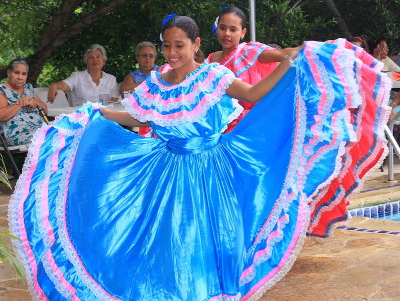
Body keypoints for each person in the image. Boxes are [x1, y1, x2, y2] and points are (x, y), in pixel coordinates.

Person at [9, 15, 390, 301]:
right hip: (165, 169)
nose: (171, 53)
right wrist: (97, 114)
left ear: (194, 45)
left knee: (204, 240)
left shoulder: (212, 76)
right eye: (166, 46)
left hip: (212, 170)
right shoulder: (156, 80)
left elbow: (254, 95)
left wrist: (290, 65)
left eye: (179, 45)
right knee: (167, 241)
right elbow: (139, 116)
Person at [207, 6, 300, 132]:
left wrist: (304, 48)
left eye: (233, 30)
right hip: (219, 127)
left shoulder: (248, 51)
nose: (227, 34)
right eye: (222, 28)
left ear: (243, 33)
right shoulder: (210, 61)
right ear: (217, 28)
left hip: (251, 124)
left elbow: (283, 54)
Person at [47, 44, 120, 107]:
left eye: (98, 57)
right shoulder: (77, 77)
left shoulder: (111, 79)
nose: (95, 60)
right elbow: (63, 85)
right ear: (86, 62)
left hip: (104, 116)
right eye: (91, 57)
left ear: (104, 61)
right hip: (81, 116)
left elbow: (114, 100)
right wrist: (54, 86)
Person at [0, 59, 47, 146]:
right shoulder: (2, 90)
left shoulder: (28, 88)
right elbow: (1, 116)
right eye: (16, 73)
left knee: (66, 131)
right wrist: (20, 104)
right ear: (9, 73)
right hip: (17, 135)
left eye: (23, 74)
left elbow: (45, 110)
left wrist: (34, 102)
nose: (20, 77)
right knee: (52, 138)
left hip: (39, 129)